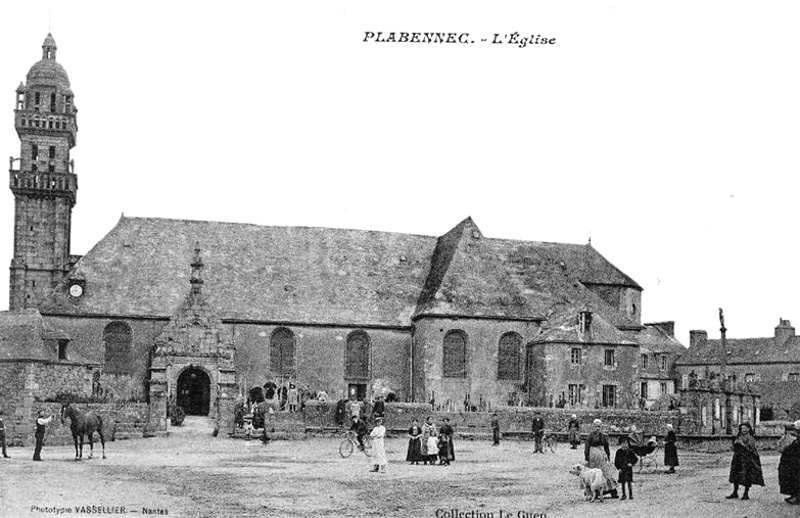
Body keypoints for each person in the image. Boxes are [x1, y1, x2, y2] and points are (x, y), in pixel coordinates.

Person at [726, 422, 764, 500]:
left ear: (748, 429)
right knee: (735, 474)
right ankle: (735, 492)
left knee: (747, 476)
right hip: (738, 458)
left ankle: (746, 493)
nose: (743, 430)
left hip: (747, 459)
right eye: (742, 428)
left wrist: (742, 444)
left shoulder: (750, 438)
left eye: (745, 428)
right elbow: (734, 447)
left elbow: (751, 449)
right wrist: (735, 444)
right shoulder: (739, 436)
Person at [584, 418, 619, 498]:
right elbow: (587, 446)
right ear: (593, 427)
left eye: (599, 427)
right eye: (596, 426)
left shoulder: (602, 436)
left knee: (606, 473)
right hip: (593, 458)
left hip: (602, 457)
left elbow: (606, 446)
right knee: (594, 474)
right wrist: (587, 458)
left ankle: (611, 491)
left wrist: (608, 455)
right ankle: (593, 492)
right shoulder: (590, 436)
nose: (597, 428)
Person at [778, 420, 800, 504]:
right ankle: (793, 495)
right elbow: (780, 447)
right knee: (787, 477)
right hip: (787, 460)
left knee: (796, 478)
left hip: (796, 461)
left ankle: (797, 496)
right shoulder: (787, 437)